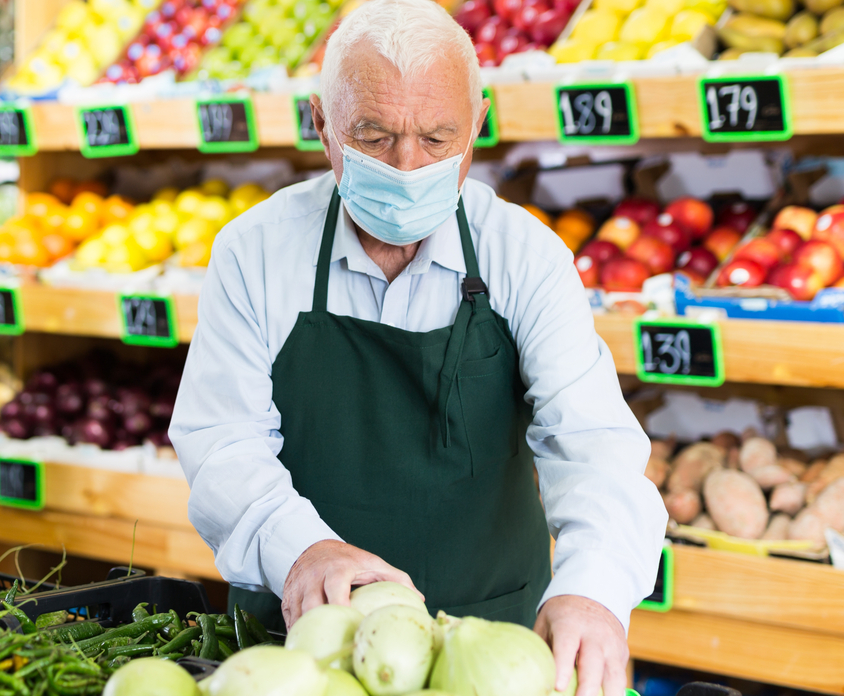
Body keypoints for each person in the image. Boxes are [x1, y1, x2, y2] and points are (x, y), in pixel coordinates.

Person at [169, 1, 666, 693]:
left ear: (479, 125)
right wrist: (301, 550)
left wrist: (593, 589)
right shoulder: (256, 251)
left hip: (490, 643)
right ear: (322, 125)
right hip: (302, 642)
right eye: (373, 137)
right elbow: (222, 439)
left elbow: (594, 445)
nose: (407, 167)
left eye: (438, 140)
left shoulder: (523, 255)